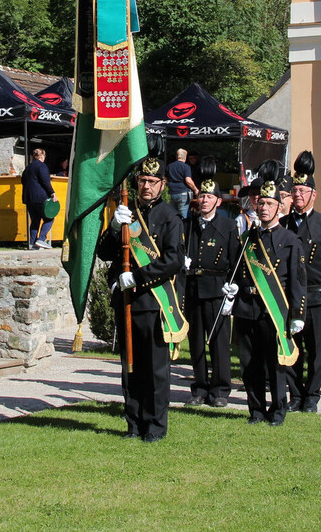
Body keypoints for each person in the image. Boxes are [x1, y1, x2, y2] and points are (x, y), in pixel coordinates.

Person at [98, 156, 184, 442]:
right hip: (127, 303)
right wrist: (113, 227)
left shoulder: (170, 217)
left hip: (154, 303)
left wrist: (138, 277)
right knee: (130, 367)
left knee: (155, 370)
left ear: (162, 185)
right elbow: (105, 253)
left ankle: (155, 427)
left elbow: (172, 261)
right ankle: (133, 424)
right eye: (142, 181)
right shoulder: (126, 211)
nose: (146, 186)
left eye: (152, 182)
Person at [232, 178, 307, 425]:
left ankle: (277, 410)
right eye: (260, 203)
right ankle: (255, 410)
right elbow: (237, 270)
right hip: (246, 307)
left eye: (269, 203)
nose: (263, 207)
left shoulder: (290, 240)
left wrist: (297, 314)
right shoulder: (247, 239)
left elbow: (297, 281)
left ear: (279, 207)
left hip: (273, 310)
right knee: (249, 363)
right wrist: (231, 288)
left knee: (274, 364)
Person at [280, 151, 321, 413]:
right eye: (295, 190)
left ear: (313, 195)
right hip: (290, 297)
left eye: (304, 191)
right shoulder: (283, 224)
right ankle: (295, 394)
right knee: (293, 348)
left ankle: (312, 395)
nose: (299, 196)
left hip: (316, 297)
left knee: (316, 350)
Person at [183, 178, 238, 408]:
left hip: (216, 289)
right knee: (196, 343)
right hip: (193, 287)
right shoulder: (189, 224)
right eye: (202, 196)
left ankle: (220, 389)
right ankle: (200, 388)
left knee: (218, 342)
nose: (204, 200)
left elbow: (235, 261)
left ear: (218, 201)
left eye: (209, 197)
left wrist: (232, 288)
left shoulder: (227, 226)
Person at [21, 148, 57, 249]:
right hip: (41, 198)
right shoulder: (42, 166)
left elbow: (23, 181)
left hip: (29, 199)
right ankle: (41, 239)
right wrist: (52, 193)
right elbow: (45, 181)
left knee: (35, 221)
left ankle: (32, 244)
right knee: (49, 218)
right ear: (42, 156)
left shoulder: (27, 168)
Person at [166, 148, 198, 219]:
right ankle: (182, 229)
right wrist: (195, 189)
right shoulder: (186, 167)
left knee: (172, 214)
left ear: (177, 156)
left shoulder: (169, 166)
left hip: (171, 193)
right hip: (183, 194)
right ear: (185, 157)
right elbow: (188, 180)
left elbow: (164, 179)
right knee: (183, 216)